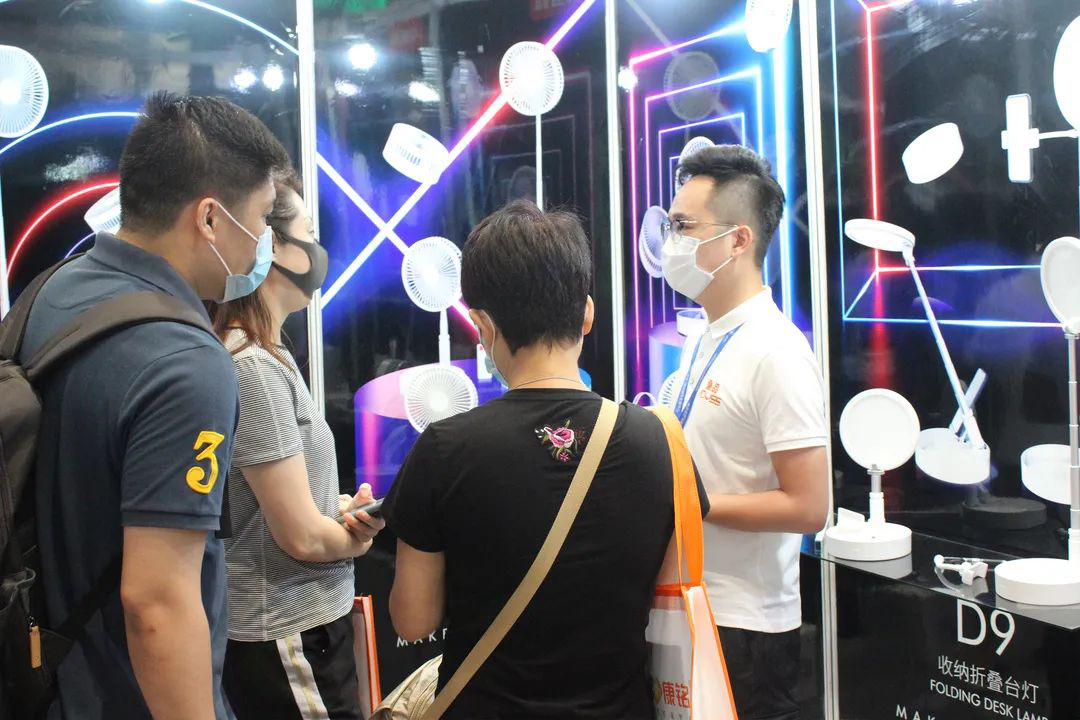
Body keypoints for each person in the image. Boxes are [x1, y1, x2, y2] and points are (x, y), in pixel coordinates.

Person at [16, 92, 291, 719]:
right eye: (262, 218)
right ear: (211, 218)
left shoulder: (50, 294)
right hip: (125, 696)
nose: (266, 241)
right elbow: (157, 603)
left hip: (41, 679)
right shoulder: (186, 362)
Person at [382, 200, 709, 719]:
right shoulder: (662, 441)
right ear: (587, 312)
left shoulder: (445, 449)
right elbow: (670, 591)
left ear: (482, 326)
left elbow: (413, 621)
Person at [662, 144, 829, 720]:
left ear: (738, 240)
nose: (671, 242)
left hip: (749, 626)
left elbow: (809, 506)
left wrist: (696, 503)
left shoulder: (777, 351)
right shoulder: (705, 337)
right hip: (690, 600)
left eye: (684, 227)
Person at [209, 170, 385, 719]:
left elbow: (284, 507)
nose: (317, 250)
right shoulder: (254, 367)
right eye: (308, 232)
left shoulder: (270, 355)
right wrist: (356, 539)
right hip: (288, 628)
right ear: (271, 244)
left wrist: (338, 511)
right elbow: (302, 537)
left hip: (302, 626)